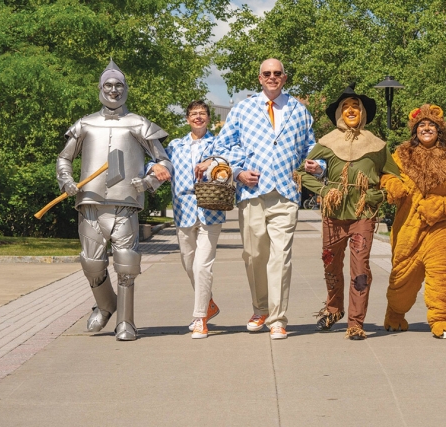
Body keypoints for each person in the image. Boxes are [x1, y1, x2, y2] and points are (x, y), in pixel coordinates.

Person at [197, 58, 323, 339]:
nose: (272, 77)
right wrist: (239, 172)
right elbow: (222, 145)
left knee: (280, 257)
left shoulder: (299, 110)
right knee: (254, 255)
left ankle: (278, 318)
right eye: (267, 73)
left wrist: (318, 165)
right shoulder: (243, 109)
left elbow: (310, 146)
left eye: (277, 73)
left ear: (285, 77)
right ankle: (261, 307)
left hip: (286, 193)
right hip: (251, 192)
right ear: (259, 78)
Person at [56, 60, 172, 341]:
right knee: (91, 264)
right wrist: (67, 181)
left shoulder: (139, 124)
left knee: (126, 263)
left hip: (125, 204)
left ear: (126, 89)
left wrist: (148, 181)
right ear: (100, 88)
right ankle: (108, 305)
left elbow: (164, 162)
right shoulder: (85, 124)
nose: (113, 89)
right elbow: (64, 158)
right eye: (108, 84)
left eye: (119, 85)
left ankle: (126, 322)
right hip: (90, 204)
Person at [296, 83, 400, 340]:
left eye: (356, 106)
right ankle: (334, 310)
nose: (351, 110)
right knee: (330, 266)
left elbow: (396, 178)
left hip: (363, 216)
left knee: (360, 270)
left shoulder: (377, 145)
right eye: (346, 107)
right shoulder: (327, 142)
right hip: (333, 215)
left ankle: (356, 322)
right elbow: (300, 172)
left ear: (363, 112)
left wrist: (380, 194)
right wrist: (322, 191)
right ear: (339, 113)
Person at [380, 104, 446, 339]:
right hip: (408, 227)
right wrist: (394, 187)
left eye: (432, 125)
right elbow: (387, 177)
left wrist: (442, 205)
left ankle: (442, 320)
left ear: (440, 130)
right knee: (402, 278)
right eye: (422, 125)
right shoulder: (401, 154)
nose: (427, 128)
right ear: (415, 131)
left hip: (442, 226)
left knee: (444, 273)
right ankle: (395, 313)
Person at [149, 100, 224, 339]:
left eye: (202, 113)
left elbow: (229, 162)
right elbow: (156, 161)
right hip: (183, 209)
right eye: (194, 114)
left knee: (203, 265)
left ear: (209, 118)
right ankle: (208, 304)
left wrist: (213, 162)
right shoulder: (175, 145)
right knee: (189, 264)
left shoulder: (218, 143)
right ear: (187, 118)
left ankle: (200, 318)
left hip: (211, 208)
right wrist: (153, 168)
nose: (198, 117)